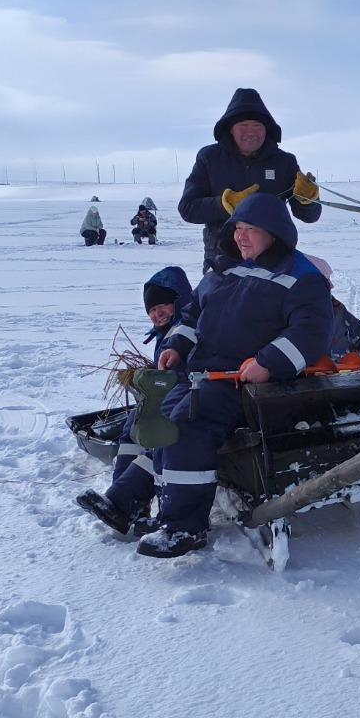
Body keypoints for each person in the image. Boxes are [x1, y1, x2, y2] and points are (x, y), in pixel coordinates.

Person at [78, 195, 332, 558]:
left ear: (275, 233)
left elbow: (311, 331)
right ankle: (126, 503)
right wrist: (177, 346)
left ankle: (185, 527)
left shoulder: (300, 277)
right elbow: (191, 316)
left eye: (251, 230)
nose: (242, 237)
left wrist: (268, 362)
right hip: (200, 374)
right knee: (152, 417)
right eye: (238, 229)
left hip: (244, 384)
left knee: (184, 427)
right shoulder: (223, 270)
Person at [77, 268, 194, 527]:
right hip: (172, 388)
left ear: (179, 302)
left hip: (189, 388)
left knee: (155, 429)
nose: (157, 313)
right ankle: (127, 502)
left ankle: (125, 500)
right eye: (152, 310)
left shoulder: (188, 326)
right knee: (133, 423)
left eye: (163, 305)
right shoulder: (166, 333)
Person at [178, 87, 321, 271]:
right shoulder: (209, 158)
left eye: (257, 126)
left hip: (273, 261)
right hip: (223, 261)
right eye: (243, 126)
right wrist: (226, 204)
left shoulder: (284, 161)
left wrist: (307, 199)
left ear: (266, 129)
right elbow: (188, 208)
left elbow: (310, 217)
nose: (251, 132)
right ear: (230, 129)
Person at [305, 255, 360, 360]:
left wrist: (358, 359)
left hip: (342, 374)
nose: (331, 285)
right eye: (326, 280)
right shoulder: (287, 313)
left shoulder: (337, 309)